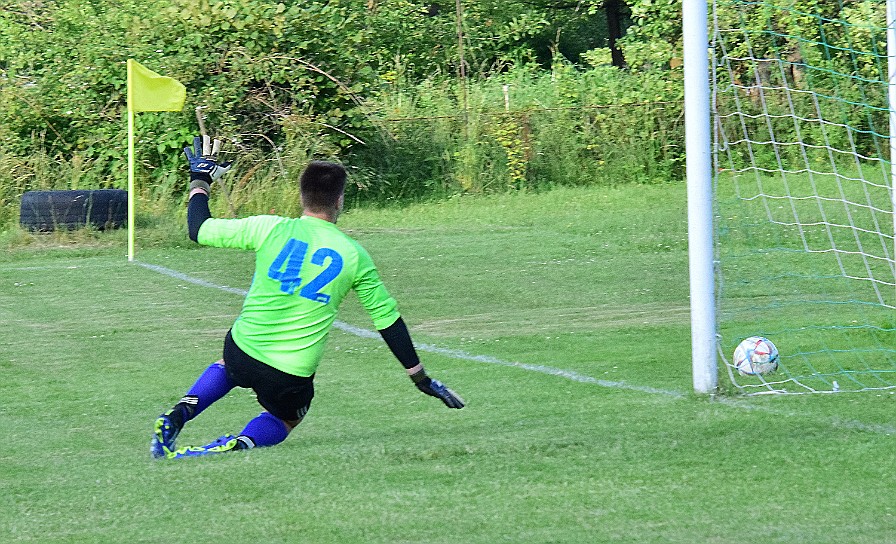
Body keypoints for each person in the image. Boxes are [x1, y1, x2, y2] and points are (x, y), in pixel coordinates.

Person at [151, 135, 464, 459]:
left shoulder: (268, 227)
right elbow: (389, 322)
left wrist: (199, 179)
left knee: (228, 366)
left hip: (242, 349)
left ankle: (176, 417)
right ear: (340, 201)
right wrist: (420, 378)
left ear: (301, 196)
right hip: (289, 374)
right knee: (286, 417)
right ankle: (240, 443)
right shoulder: (354, 256)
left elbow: (198, 228)